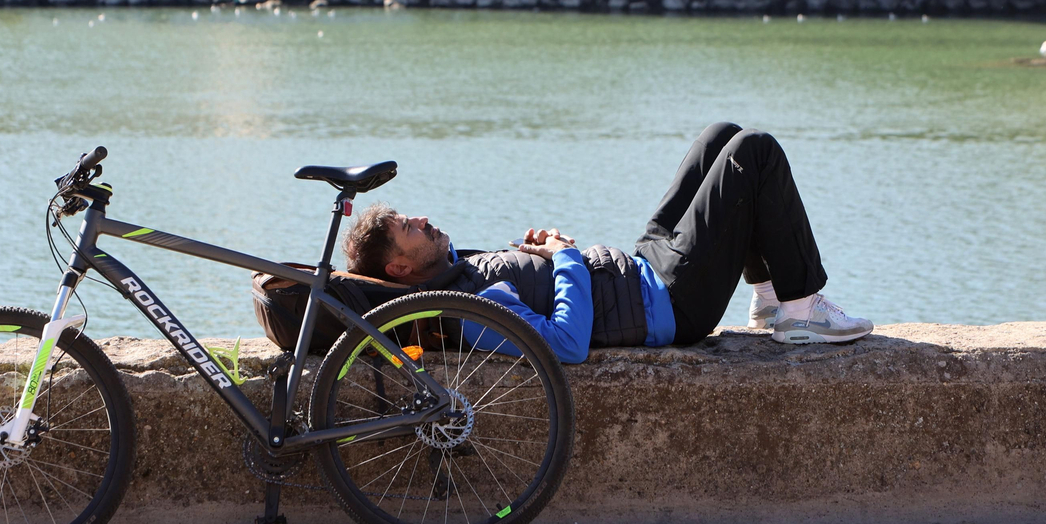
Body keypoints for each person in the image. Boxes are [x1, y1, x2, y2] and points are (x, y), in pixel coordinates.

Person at [341, 123, 870, 359]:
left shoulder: (459, 270)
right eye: (411, 230)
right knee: (752, 151)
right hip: (672, 307)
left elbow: (536, 286)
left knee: (719, 137)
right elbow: (566, 345)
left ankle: (771, 300)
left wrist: (538, 251)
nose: (425, 220)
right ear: (400, 271)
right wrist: (565, 257)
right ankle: (802, 310)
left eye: (412, 217)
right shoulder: (468, 309)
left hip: (641, 270)